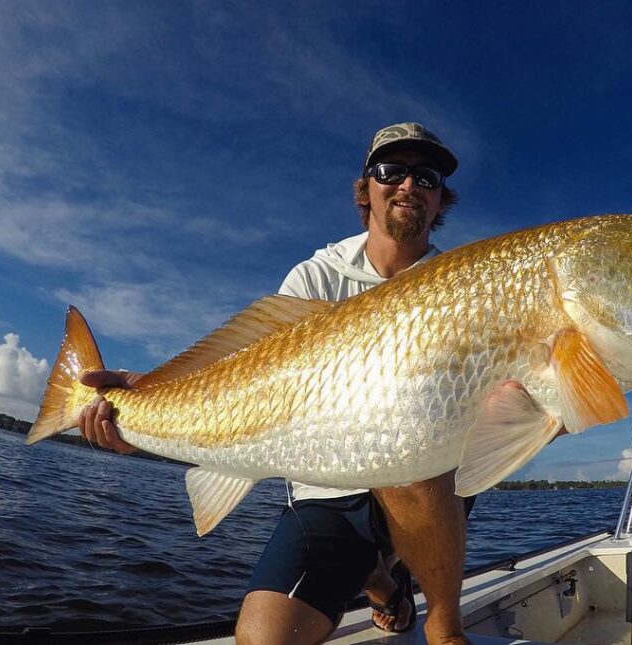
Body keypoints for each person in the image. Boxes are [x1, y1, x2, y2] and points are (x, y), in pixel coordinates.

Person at [78, 123, 471, 645]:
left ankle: (444, 623)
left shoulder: (467, 286)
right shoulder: (314, 278)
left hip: (426, 487)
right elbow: (245, 375)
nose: (408, 185)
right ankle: (377, 577)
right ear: (366, 187)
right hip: (323, 491)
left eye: (426, 176)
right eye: (390, 170)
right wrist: (149, 397)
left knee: (410, 452)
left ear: (441, 196)